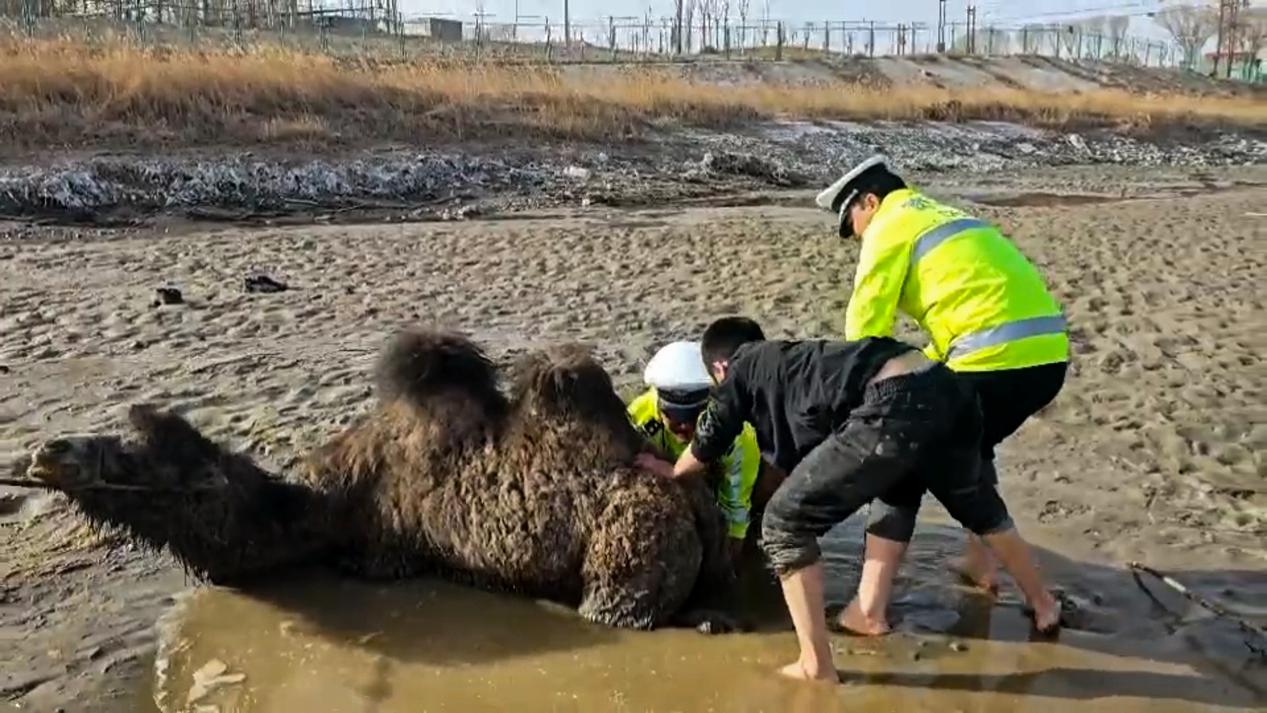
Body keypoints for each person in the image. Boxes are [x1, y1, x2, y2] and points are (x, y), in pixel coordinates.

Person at [671, 316, 1061, 683]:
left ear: (719, 368)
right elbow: (799, 460)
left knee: (784, 524)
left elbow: (709, 439)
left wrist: (671, 474)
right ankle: (1042, 605)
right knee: (946, 498)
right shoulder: (796, 362)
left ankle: (815, 666)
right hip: (946, 387)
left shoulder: (742, 367)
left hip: (893, 399)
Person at [815, 155, 1069, 636]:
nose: (859, 239)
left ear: (869, 201)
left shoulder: (891, 224)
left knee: (904, 458)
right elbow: (967, 312)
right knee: (968, 443)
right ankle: (980, 563)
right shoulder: (945, 214)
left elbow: (863, 331)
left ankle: (869, 609)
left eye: (855, 225)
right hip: (1046, 356)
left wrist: (857, 403)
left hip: (998, 360)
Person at [630, 341, 763, 562]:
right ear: (659, 407)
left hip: (722, 474)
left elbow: (735, 514)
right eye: (675, 416)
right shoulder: (639, 419)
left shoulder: (739, 437)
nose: (684, 426)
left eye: (694, 417)